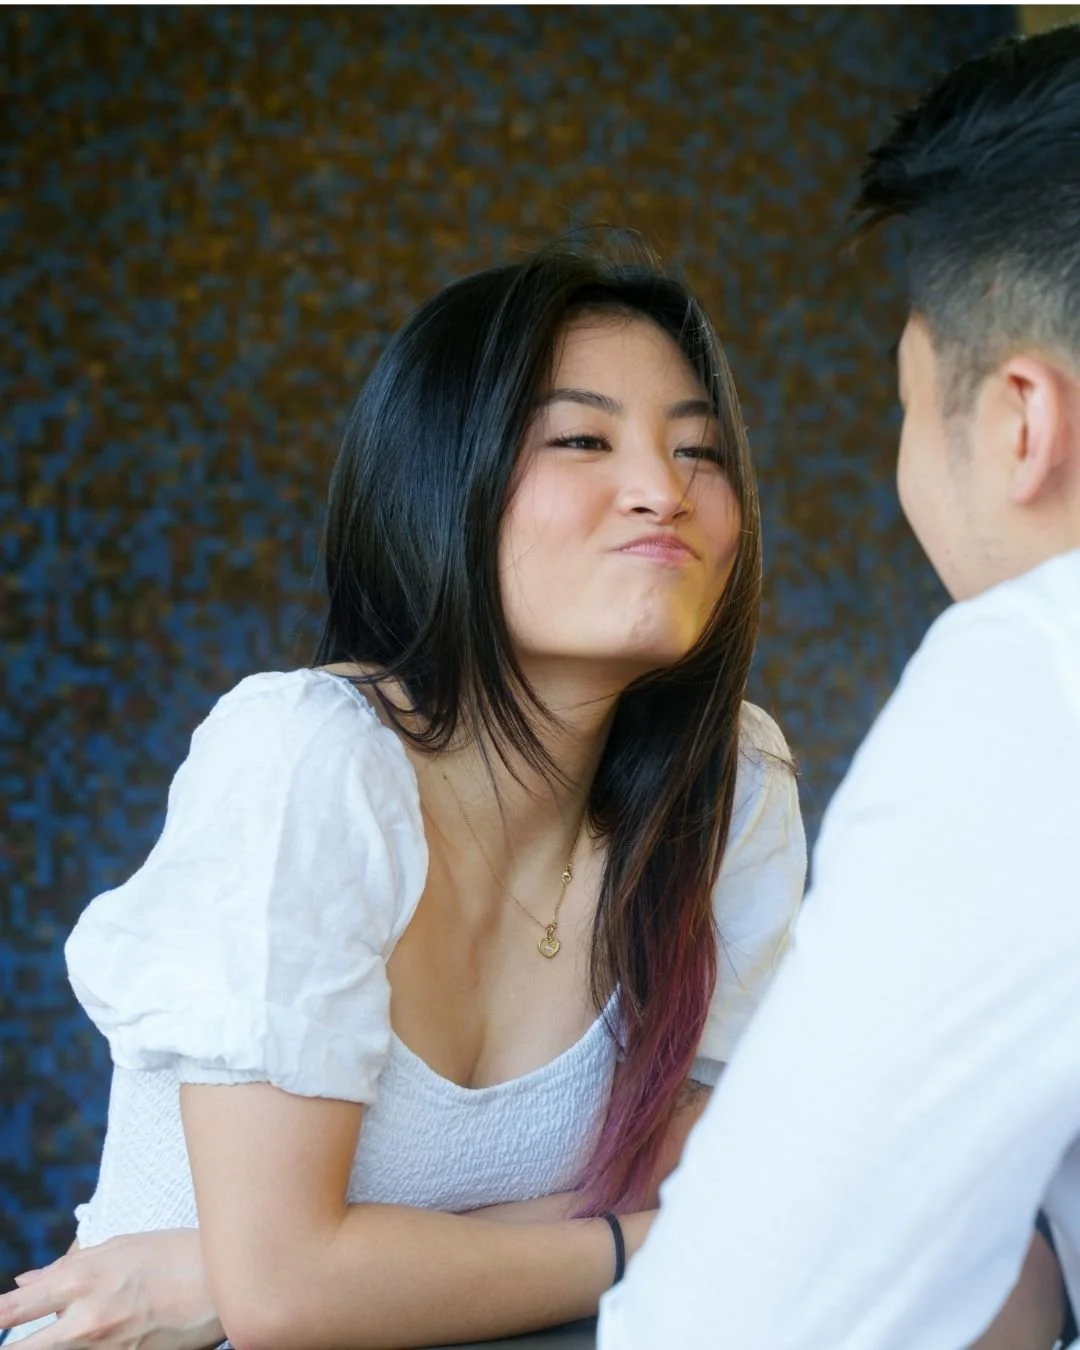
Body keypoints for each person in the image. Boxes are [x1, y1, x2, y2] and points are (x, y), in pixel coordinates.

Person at [0, 242, 809, 1348]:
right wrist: (631, 1248)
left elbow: (735, 1193)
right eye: (582, 438)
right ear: (444, 479)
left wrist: (246, 1271)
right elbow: (290, 1297)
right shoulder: (309, 758)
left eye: (699, 451)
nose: (661, 492)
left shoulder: (727, 791)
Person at [597, 25, 1080, 1350]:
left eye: (908, 406)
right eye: (580, 439)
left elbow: (749, 1316)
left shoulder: (1038, 672)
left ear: (1021, 422)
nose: (653, 490)